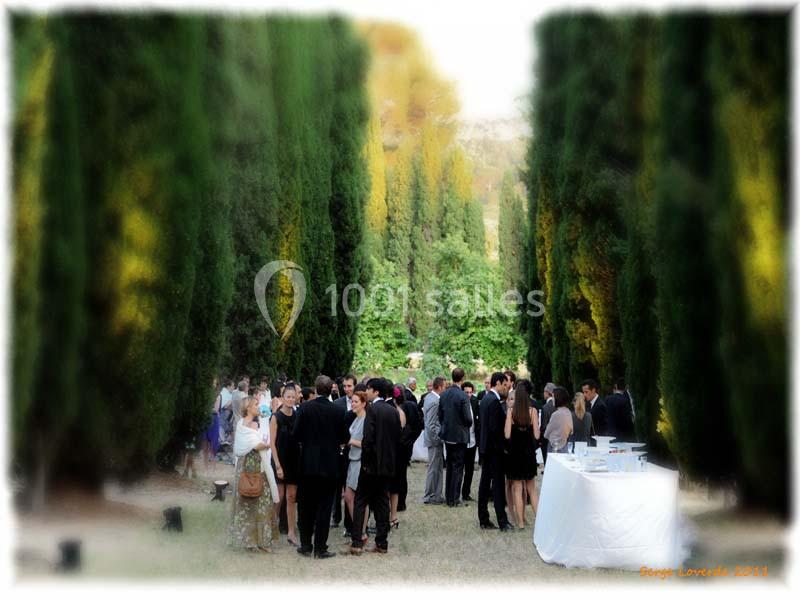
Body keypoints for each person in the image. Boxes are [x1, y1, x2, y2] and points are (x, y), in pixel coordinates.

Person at [292, 375, 348, 559]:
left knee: (306, 506)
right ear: (331, 389)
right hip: (329, 464)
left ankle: (306, 544)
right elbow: (344, 438)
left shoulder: (304, 408)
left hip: (307, 463)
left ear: (316, 390)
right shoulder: (338, 411)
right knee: (325, 507)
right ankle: (320, 547)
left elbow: (296, 434)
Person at [345, 378, 402, 555]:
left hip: (370, 465)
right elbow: (397, 437)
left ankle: (356, 542)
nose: (366, 392)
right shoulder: (393, 411)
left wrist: (366, 460)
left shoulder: (372, 410)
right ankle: (382, 542)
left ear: (376, 392)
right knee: (382, 503)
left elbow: (368, 439)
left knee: (361, 501)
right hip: (387, 464)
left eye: (369, 389)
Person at [228, 396, 274, 552]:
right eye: (256, 404)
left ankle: (254, 540)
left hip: (249, 464)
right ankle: (256, 541)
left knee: (253, 501)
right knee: (256, 499)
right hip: (252, 466)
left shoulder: (245, 423)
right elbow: (256, 444)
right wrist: (266, 445)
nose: (258, 406)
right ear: (248, 407)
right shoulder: (247, 425)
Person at [477, 372, 513, 531]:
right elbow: (494, 430)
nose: (506, 388)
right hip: (494, 451)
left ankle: (483, 518)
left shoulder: (485, 399)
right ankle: (502, 522)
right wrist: (503, 448)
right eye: (505, 385)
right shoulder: (493, 402)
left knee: (485, 485)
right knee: (497, 486)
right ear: (497, 383)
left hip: (486, 448)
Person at [504, 379, 539, 529]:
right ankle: (539, 520)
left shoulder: (511, 412)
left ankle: (520, 522)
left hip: (515, 454)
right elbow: (537, 436)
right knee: (531, 488)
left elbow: (506, 435)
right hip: (529, 454)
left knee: (517, 489)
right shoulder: (533, 411)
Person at [270, 383, 300, 547]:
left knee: (291, 497)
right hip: (279, 460)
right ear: (282, 398)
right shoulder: (276, 417)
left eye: (293, 397)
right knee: (279, 497)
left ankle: (291, 531)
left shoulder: (298, 415)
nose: (290, 399)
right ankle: (272, 528)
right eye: (287, 397)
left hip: (294, 460)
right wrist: (278, 465)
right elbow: (272, 443)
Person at [438, 368, 472, 507]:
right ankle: (454, 498)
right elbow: (468, 418)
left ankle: (448, 497)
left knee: (450, 465)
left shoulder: (444, 394)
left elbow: (440, 415)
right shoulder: (462, 396)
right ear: (462, 378)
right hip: (459, 435)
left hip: (447, 434)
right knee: (458, 466)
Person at [332, 374, 358, 532]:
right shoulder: (337, 404)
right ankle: (336, 516)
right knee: (337, 484)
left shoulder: (361, 405)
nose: (347, 389)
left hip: (355, 449)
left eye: (350, 386)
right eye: (345, 386)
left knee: (351, 487)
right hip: (339, 450)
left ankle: (350, 524)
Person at [344, 388, 369, 546]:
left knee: (358, 498)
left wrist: (350, 441)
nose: (352, 404)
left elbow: (367, 444)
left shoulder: (366, 420)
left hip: (359, 461)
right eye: (352, 401)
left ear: (363, 403)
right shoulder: (356, 418)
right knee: (348, 497)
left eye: (356, 402)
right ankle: (359, 529)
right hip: (352, 461)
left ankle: (361, 531)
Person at [395, 383, 423, 512]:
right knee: (401, 474)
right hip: (403, 444)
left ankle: (400, 502)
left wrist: (410, 440)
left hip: (403, 445)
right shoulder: (394, 406)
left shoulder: (410, 406)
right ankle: (398, 503)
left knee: (400, 474)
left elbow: (418, 425)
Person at [421, 376, 446, 505]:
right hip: (434, 440)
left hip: (434, 439)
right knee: (434, 468)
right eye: (445, 386)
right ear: (440, 387)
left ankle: (436, 494)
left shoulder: (430, 398)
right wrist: (439, 438)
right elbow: (431, 424)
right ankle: (429, 495)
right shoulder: (433, 401)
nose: (445, 389)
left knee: (437, 467)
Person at [461, 382, 480, 502]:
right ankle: (456, 492)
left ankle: (466, 493)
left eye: (470, 392)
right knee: (459, 468)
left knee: (469, 469)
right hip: (461, 440)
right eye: (466, 392)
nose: (468, 395)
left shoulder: (474, 401)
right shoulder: (459, 402)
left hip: (472, 439)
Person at [544, 387, 573, 453]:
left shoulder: (556, 414)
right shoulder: (568, 412)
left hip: (555, 447)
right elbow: (571, 431)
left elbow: (546, 433)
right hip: (564, 446)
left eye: (553, 397)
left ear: (558, 398)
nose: (552, 399)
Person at [204, 379, 222, 472]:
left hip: (213, 420)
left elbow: (216, 409)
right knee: (205, 445)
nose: (212, 384)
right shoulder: (205, 393)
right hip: (206, 419)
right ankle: (206, 468)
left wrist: (206, 410)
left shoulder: (218, 395)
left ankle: (213, 468)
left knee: (213, 444)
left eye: (214, 382)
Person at [539, 382, 556, 465]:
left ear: (547, 392)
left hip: (547, 441)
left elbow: (543, 426)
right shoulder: (558, 405)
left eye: (544, 391)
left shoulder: (545, 407)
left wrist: (540, 440)